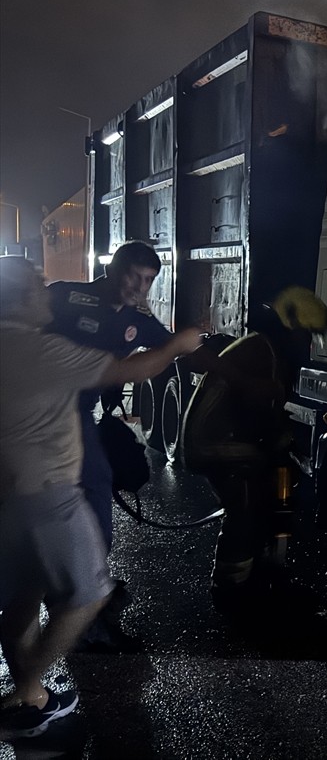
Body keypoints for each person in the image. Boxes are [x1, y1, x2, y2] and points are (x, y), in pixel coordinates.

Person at [0, 257, 202, 740]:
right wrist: (180, 343)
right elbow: (126, 370)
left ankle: (31, 697)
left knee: (27, 591)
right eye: (36, 288)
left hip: (15, 489)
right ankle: (25, 691)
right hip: (47, 492)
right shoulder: (40, 346)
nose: (46, 294)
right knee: (89, 593)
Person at [44, 240, 176, 652]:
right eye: (133, 276)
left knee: (95, 499)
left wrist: (233, 367)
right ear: (112, 269)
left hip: (79, 420)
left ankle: (84, 598)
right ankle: (75, 606)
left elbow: (175, 347)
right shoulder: (65, 297)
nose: (139, 287)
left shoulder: (136, 318)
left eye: (148, 280)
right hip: (42, 417)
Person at [180, 287, 327, 615]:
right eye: (306, 334)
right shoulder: (261, 350)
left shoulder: (274, 351)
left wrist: (283, 447)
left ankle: (265, 577)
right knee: (247, 503)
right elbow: (257, 406)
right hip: (214, 441)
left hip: (235, 439)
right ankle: (230, 591)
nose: (309, 344)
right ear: (290, 326)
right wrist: (279, 444)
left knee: (273, 497)